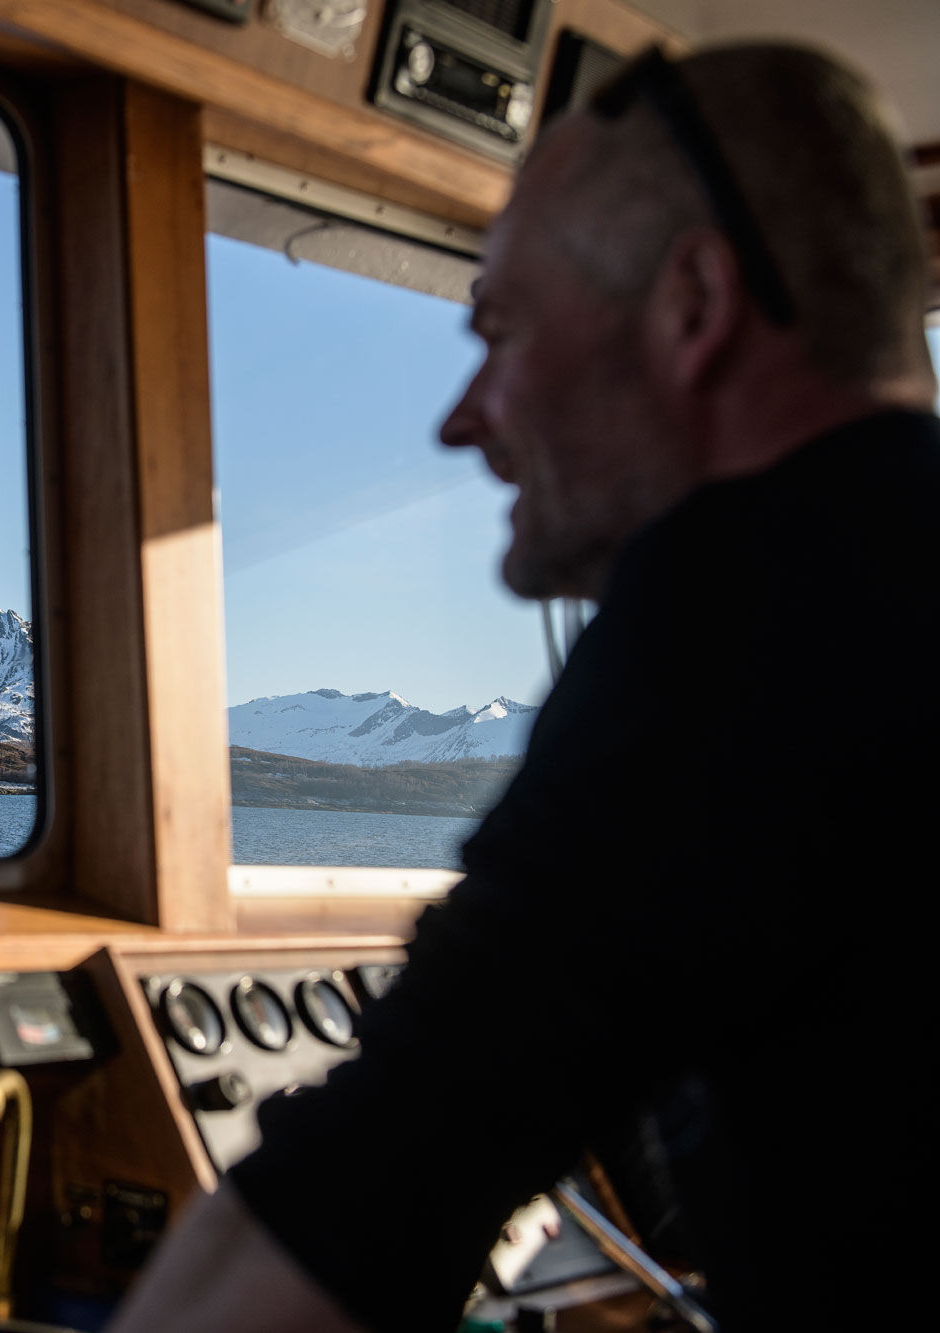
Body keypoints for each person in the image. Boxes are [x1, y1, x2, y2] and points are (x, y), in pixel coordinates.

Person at [107, 42, 939, 1333]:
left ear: (694, 304)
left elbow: (364, 1201)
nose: (462, 416)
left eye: (499, 329)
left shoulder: (750, 612)